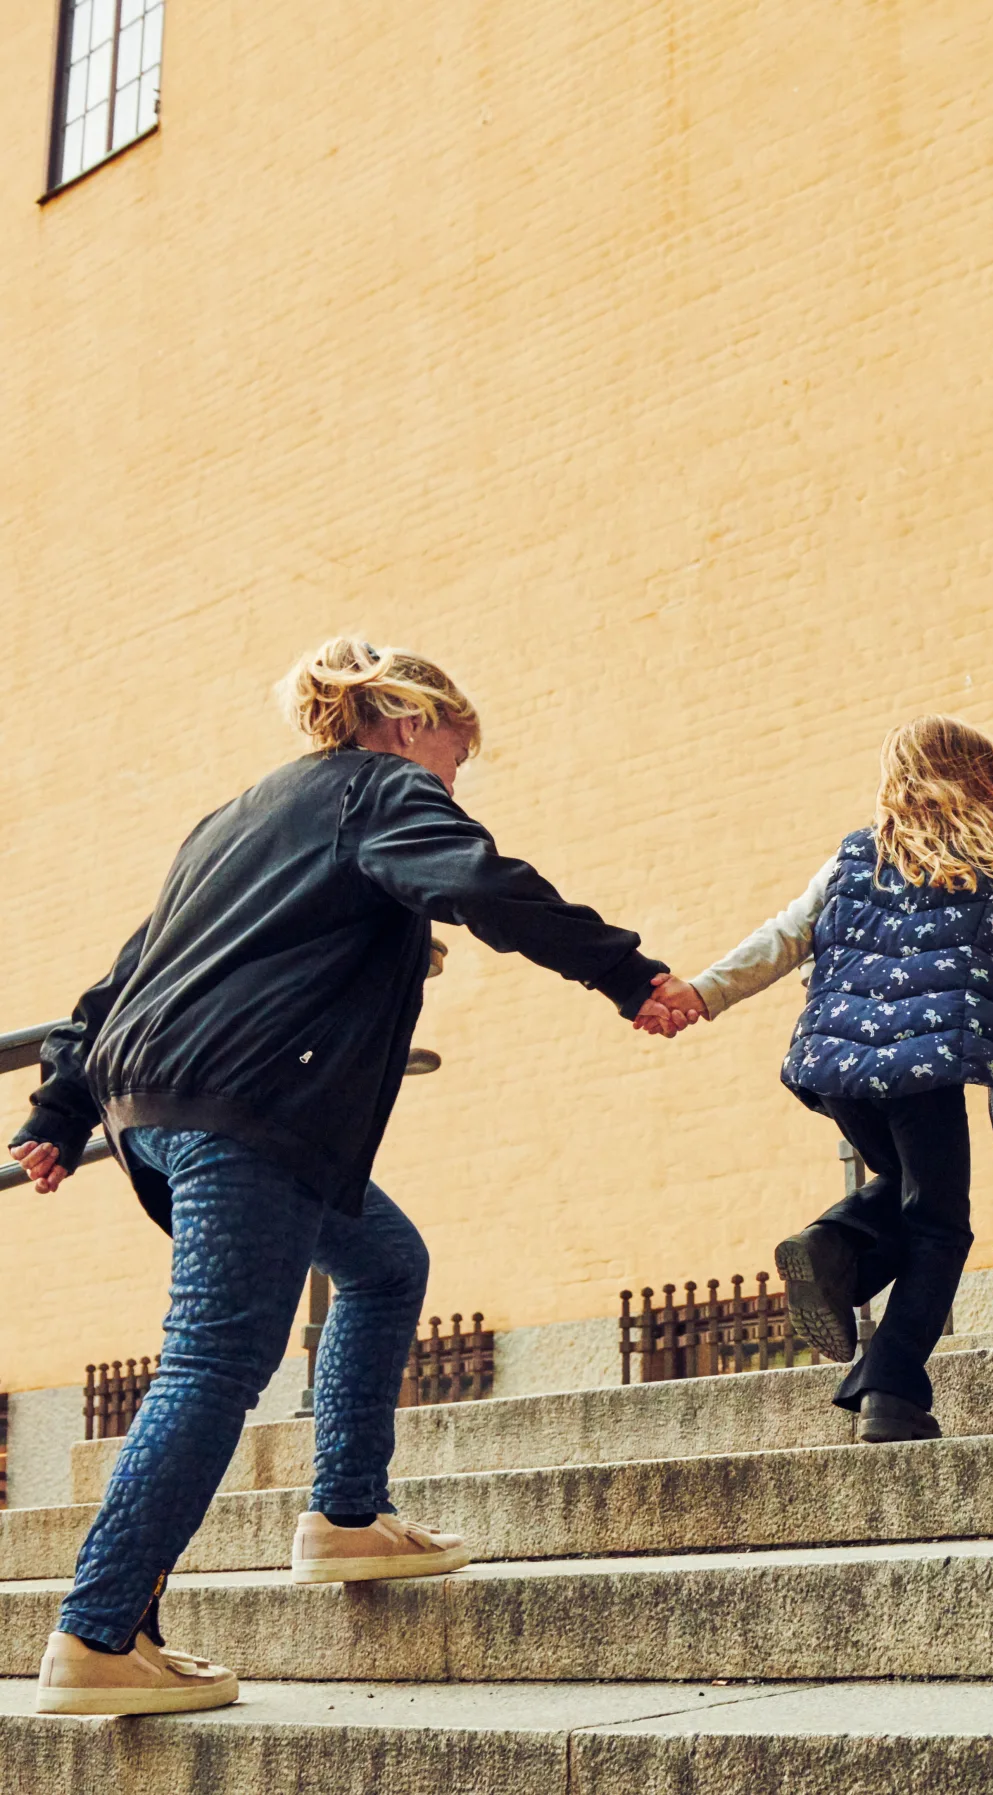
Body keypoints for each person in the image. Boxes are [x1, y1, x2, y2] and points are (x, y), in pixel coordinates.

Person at [8, 639, 679, 1717]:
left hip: (172, 1105)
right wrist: (626, 971)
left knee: (380, 1260)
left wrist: (60, 1107)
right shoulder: (382, 788)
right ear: (413, 724)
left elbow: (119, 979)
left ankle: (349, 1516)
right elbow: (478, 881)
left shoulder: (236, 817)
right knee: (216, 1360)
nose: (454, 788)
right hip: (250, 1107)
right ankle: (98, 1631)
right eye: (459, 761)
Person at [638, 716, 993, 1443]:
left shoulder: (855, 856)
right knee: (941, 1224)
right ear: (981, 779)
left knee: (912, 1194)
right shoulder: (991, 865)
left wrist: (703, 992)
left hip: (838, 1069)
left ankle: (834, 1251)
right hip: (926, 1068)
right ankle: (890, 1385)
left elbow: (784, 937)